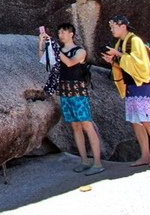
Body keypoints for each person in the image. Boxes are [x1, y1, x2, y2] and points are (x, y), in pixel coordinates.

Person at [100, 14, 150, 166]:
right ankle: (145, 155)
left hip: (142, 86)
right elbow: (125, 64)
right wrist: (113, 60)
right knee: (136, 122)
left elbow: (140, 64)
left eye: (113, 26)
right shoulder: (120, 43)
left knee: (146, 120)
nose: (111, 29)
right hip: (130, 86)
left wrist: (118, 54)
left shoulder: (134, 40)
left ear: (123, 25)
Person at [38, 23, 105, 175]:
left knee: (87, 125)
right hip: (64, 90)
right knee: (75, 126)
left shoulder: (80, 51)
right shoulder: (58, 50)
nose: (60, 34)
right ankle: (84, 160)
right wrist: (42, 43)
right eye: (59, 32)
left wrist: (55, 49)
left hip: (78, 90)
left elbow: (69, 63)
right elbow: (44, 61)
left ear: (71, 34)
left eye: (63, 32)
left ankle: (97, 163)